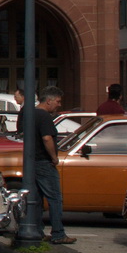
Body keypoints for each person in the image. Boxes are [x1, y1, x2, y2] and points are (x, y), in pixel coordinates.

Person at [31, 86, 75, 245]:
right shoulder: (43, 116)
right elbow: (47, 138)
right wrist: (54, 157)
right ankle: (58, 233)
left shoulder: (29, 113)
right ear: (48, 101)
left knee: (36, 199)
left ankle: (36, 231)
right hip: (44, 161)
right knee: (55, 198)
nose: (59, 104)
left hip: (32, 162)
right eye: (57, 101)